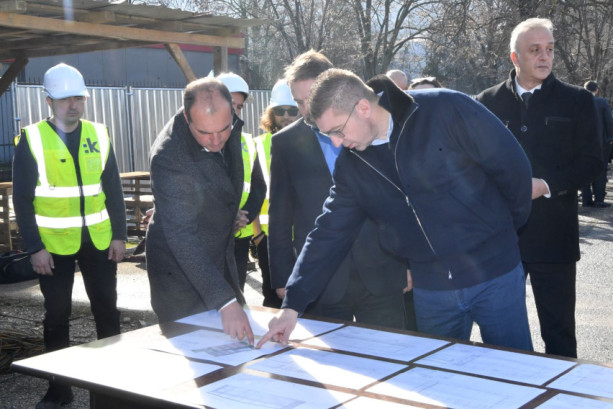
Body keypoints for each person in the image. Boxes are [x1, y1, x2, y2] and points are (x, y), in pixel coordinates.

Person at [257, 69, 534, 351]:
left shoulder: (445, 109)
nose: (337, 143)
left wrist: (498, 236)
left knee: (516, 365)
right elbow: (328, 232)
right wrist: (291, 306)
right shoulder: (353, 165)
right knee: (438, 372)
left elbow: (514, 171)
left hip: (495, 274)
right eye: (328, 135)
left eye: (338, 131)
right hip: (432, 289)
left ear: (363, 108)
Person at [475, 18, 603, 358]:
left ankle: (563, 387)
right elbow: (473, 164)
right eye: (535, 50)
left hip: (554, 237)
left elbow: (592, 162)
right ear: (515, 57)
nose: (545, 56)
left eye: (549, 49)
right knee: (501, 336)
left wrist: (546, 185)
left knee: (559, 334)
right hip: (502, 239)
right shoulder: (487, 102)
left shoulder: (577, 100)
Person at [268, 51, 417, 331]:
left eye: (311, 97)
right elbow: (280, 215)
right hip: (324, 282)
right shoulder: (285, 143)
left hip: (381, 271)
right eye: (299, 102)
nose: (306, 109)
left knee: (388, 350)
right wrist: (285, 278)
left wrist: (409, 263)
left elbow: (403, 203)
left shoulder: (372, 133)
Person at [12, 63, 127, 409]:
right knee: (57, 315)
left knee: (107, 311)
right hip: (53, 247)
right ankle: (59, 389)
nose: (73, 105)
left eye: (78, 98)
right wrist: (35, 248)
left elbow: (113, 189)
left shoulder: (99, 133)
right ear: (49, 101)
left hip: (99, 241)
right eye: (64, 99)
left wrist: (119, 235)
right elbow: (22, 199)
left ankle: (114, 385)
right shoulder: (33, 138)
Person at [146, 77, 254, 344]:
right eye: (205, 133)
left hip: (220, 260)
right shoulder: (169, 156)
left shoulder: (221, 123)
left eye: (224, 130)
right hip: (180, 279)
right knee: (197, 352)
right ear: (187, 117)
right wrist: (225, 302)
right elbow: (182, 237)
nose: (216, 140)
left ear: (232, 111)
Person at [252, 79, 300, 308]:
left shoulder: (314, 142)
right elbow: (252, 193)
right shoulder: (258, 145)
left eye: (292, 110)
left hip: (306, 236)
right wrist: (258, 236)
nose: (286, 116)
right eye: (280, 111)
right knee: (273, 300)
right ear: (272, 113)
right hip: (270, 238)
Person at [217, 72, 266, 291]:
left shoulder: (248, 142)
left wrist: (244, 216)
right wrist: (228, 216)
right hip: (210, 237)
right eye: (231, 105)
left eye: (240, 107)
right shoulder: (201, 140)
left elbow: (258, 187)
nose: (236, 112)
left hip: (239, 235)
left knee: (236, 294)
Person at [580, 80, 613, 208]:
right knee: (600, 169)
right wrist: (610, 137)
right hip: (600, 142)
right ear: (597, 90)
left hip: (582, 143)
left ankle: (586, 200)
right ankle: (599, 200)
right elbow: (608, 122)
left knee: (584, 169)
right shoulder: (602, 103)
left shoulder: (577, 103)